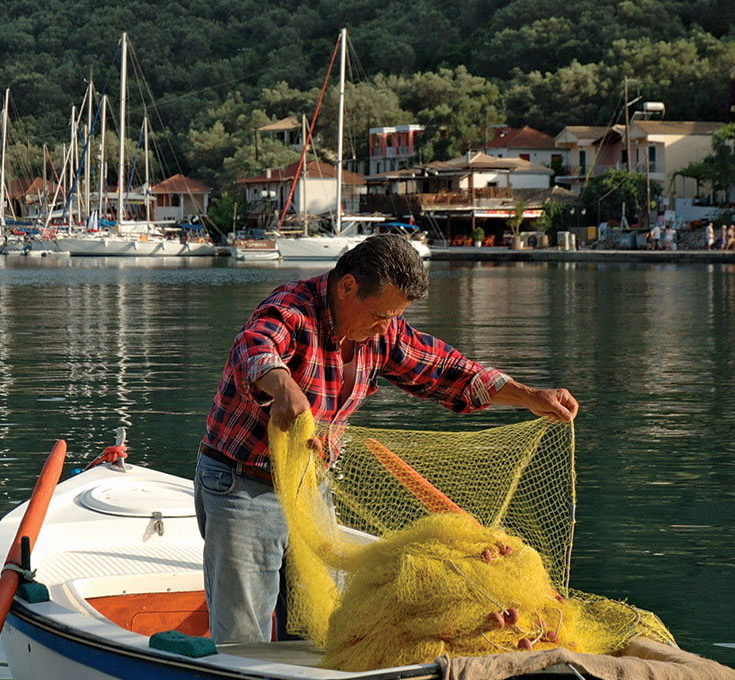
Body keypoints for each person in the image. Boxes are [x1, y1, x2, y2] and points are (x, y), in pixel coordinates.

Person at [195, 234, 579, 645]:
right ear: (347, 287)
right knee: (242, 635)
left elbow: (449, 371)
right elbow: (254, 347)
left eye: (392, 318)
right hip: (244, 484)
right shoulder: (292, 309)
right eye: (379, 315)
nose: (384, 327)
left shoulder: (383, 332)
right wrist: (281, 384)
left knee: (319, 629)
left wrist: (529, 396)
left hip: (309, 488)